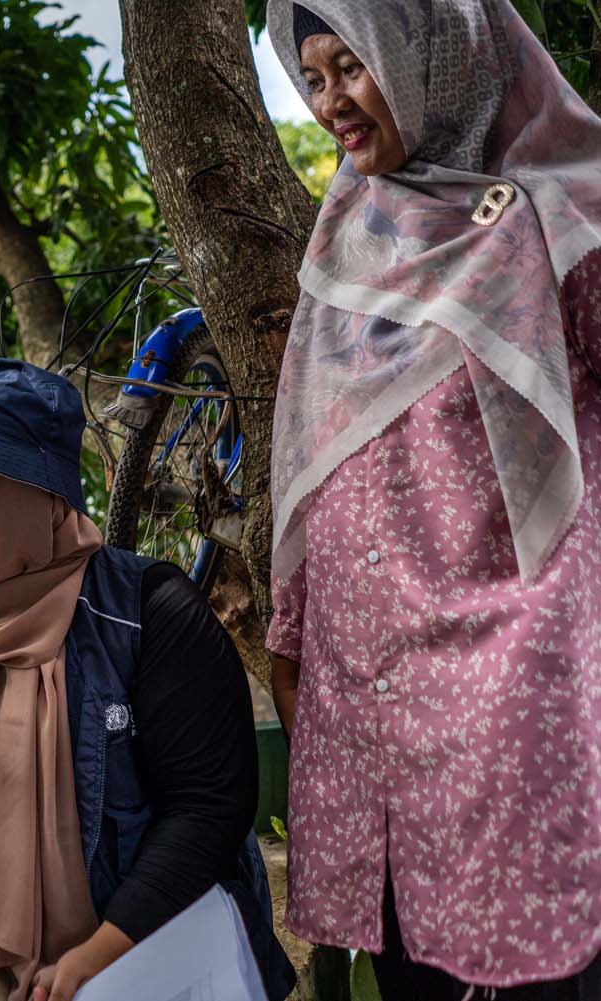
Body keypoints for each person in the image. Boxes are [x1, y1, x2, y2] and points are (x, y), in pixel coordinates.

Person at [265, 1, 601, 995]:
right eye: (314, 77)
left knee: (544, 958)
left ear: (433, 56)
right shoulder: (348, 235)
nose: (330, 104)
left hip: (516, 688)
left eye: (352, 68)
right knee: (413, 962)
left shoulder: (560, 211)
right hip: (370, 684)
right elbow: (315, 443)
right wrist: (297, 621)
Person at [0, 359, 294, 1001]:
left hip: (152, 930)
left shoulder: (149, 615)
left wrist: (98, 954)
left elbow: (209, 809)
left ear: (14, 498)